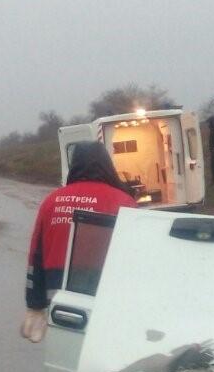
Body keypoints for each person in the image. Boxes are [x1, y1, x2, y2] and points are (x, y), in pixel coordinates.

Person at [21, 144, 138, 342]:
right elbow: (137, 259)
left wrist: (34, 305)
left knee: (62, 361)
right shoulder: (125, 203)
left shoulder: (51, 202)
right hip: (107, 306)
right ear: (107, 165)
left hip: (60, 309)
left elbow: (36, 257)